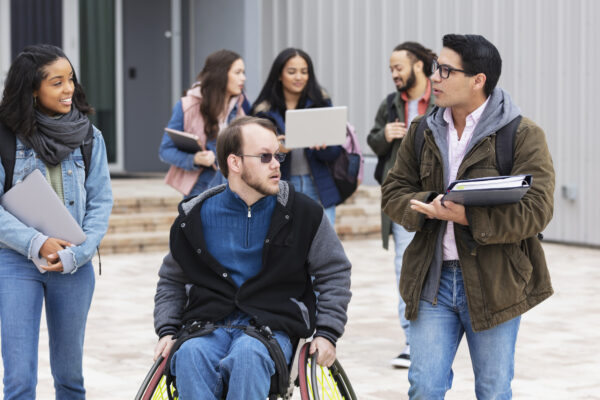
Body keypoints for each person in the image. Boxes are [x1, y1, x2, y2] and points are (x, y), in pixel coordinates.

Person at [381, 34, 555, 399]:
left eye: (446, 70)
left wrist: (469, 219)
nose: (436, 78)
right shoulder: (422, 131)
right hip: (433, 281)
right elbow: (393, 192)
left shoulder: (522, 135)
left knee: (493, 390)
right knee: (424, 388)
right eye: (435, 68)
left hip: (496, 282)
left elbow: (537, 210)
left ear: (479, 80)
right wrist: (430, 204)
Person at [153, 116, 351, 399]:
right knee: (189, 355)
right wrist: (167, 330)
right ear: (235, 163)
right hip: (208, 325)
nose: (276, 164)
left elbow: (334, 272)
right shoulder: (194, 216)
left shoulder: (303, 213)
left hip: (272, 327)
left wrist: (327, 332)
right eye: (265, 157)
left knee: (248, 356)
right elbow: (171, 279)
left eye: (278, 155)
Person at [0, 44, 113, 399]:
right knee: (18, 381)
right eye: (57, 82)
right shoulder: (5, 136)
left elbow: (101, 202)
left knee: (70, 378)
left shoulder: (90, 136)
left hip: (73, 266)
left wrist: (77, 254)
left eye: (71, 80)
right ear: (33, 89)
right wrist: (37, 243)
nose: (69, 89)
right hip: (16, 262)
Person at [367, 41, 437, 368]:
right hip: (405, 202)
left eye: (399, 67)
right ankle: (412, 342)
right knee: (405, 268)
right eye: (391, 69)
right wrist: (387, 134)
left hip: (441, 198)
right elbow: (373, 139)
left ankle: (440, 334)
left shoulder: (442, 98)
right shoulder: (391, 104)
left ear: (418, 66)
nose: (394, 74)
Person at [251, 48, 341, 224]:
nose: (299, 77)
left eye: (304, 72)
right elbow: (253, 155)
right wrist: (277, 150)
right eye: (292, 72)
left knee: (323, 245)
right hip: (280, 184)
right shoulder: (263, 111)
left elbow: (334, 153)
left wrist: (323, 147)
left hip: (318, 184)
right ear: (279, 75)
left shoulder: (322, 104)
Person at [159, 49, 251, 198]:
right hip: (201, 188)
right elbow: (165, 150)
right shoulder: (187, 105)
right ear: (220, 74)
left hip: (237, 189)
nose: (243, 78)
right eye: (238, 72)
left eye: (243, 72)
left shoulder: (242, 104)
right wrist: (194, 159)